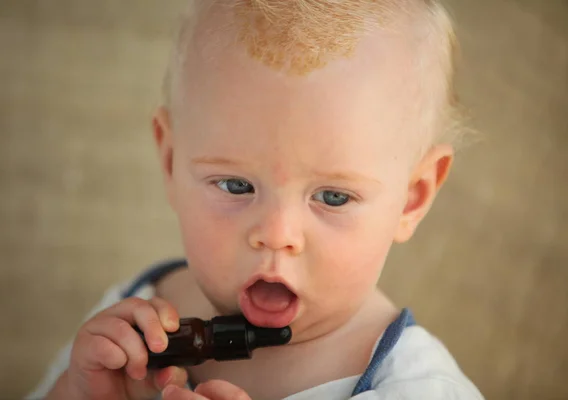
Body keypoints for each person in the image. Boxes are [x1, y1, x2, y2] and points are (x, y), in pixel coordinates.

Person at [27, 0, 484, 398]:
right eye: (235, 186)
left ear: (411, 198)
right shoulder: (130, 322)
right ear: (170, 161)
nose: (276, 234)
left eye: (333, 196)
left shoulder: (415, 389)